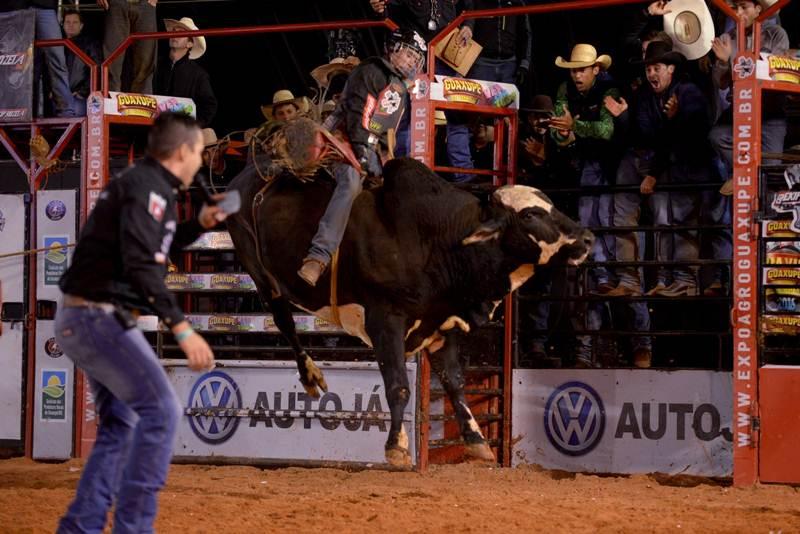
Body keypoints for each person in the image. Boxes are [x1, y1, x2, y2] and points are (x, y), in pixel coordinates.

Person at [55, 113, 224, 533]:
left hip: (86, 317)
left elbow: (153, 245)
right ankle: (133, 527)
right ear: (183, 151)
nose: (201, 163)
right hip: (100, 317)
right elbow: (143, 265)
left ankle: (81, 527)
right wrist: (182, 329)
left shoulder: (146, 186)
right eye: (200, 154)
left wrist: (195, 228)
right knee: (162, 409)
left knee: (120, 424)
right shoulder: (149, 190)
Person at [298, 28, 425, 286]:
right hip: (339, 141)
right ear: (393, 48)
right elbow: (358, 114)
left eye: (416, 58)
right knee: (350, 182)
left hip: (371, 148)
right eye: (409, 54)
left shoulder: (399, 87)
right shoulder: (370, 71)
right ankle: (318, 256)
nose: (412, 61)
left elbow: (387, 131)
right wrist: (365, 153)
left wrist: (389, 161)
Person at [370, 0, 476, 181]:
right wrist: (379, 10)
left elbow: (469, 5)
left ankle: (464, 176)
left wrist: (467, 25)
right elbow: (386, 9)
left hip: (446, 55)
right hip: (414, 57)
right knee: (408, 115)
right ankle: (408, 173)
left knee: (457, 116)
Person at [154, 17, 217, 127]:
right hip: (153, 128)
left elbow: (209, 106)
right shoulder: (155, 65)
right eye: (174, 31)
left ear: (190, 44)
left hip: (179, 133)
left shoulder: (198, 75)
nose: (175, 35)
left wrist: (191, 127)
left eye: (181, 33)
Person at [98, 0, 157, 93]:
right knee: (112, 59)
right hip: (117, 3)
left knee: (146, 58)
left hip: (145, 3)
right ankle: (111, 99)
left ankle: (143, 102)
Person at [62, 8, 101, 115]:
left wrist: (82, 92)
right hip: (59, 98)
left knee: (77, 127)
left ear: (81, 25)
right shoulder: (58, 45)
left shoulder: (89, 44)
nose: (71, 25)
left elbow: (97, 69)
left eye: (75, 22)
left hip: (78, 98)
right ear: (63, 25)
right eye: (67, 22)